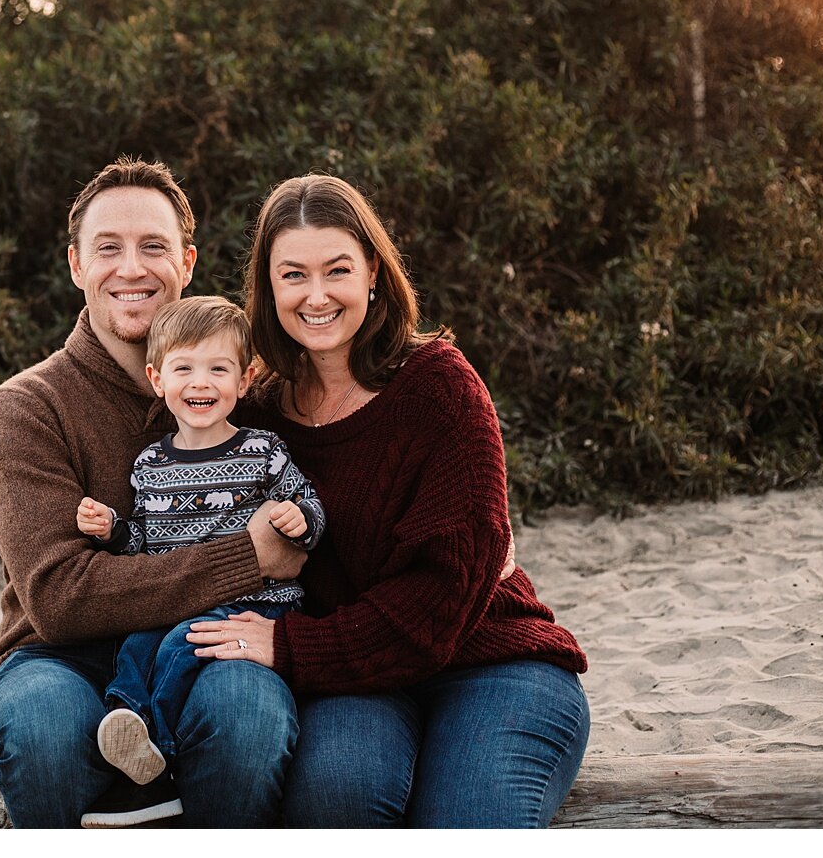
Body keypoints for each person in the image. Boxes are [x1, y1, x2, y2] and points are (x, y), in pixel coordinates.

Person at [187, 173, 590, 828]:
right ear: (268, 285)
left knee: (466, 822)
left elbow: (439, 599)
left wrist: (290, 647)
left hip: (492, 662)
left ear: (373, 270)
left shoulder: (439, 388)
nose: (316, 295)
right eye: (293, 274)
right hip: (361, 678)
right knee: (335, 792)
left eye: (337, 269)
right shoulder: (255, 415)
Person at [0, 158, 307, 829]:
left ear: (186, 262)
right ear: (76, 265)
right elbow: (62, 597)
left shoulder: (241, 390)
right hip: (57, 655)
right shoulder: (27, 404)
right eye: (109, 248)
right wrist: (248, 556)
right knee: (40, 730)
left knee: (247, 717)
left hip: (213, 635)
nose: (132, 268)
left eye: (153, 246)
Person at [75, 295, 324, 798]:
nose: (201, 382)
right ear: (158, 379)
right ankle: (126, 718)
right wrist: (112, 531)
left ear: (244, 380)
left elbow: (308, 501)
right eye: (183, 368)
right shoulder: (150, 464)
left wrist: (300, 520)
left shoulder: (262, 450)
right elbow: (146, 539)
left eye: (218, 368)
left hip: (252, 606)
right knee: (136, 646)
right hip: (177, 602)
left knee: (176, 644)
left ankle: (159, 746)